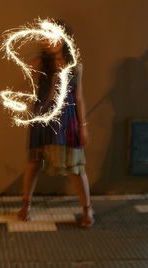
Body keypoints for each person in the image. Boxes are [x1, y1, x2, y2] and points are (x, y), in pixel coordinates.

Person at [18, 21, 94, 227]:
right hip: (43, 118)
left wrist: (83, 126)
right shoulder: (39, 63)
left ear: (64, 39)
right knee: (34, 162)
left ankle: (87, 209)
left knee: (75, 166)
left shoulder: (75, 65)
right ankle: (26, 205)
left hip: (67, 120)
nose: (48, 40)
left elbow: (78, 97)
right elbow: (28, 90)